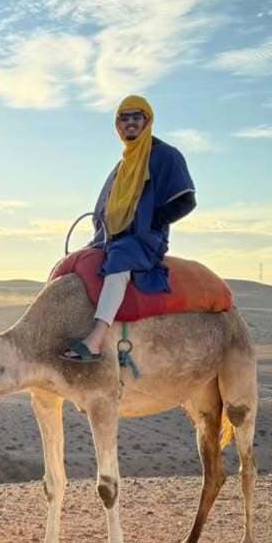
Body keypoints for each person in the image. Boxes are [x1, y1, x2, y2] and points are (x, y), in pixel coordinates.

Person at [63, 95, 196, 363]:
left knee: (119, 266)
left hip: (144, 239)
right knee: (75, 263)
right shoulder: (124, 163)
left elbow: (186, 200)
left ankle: (96, 341)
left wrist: (152, 221)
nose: (130, 123)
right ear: (118, 126)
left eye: (137, 117)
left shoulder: (164, 156)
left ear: (147, 121)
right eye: (124, 118)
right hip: (112, 236)